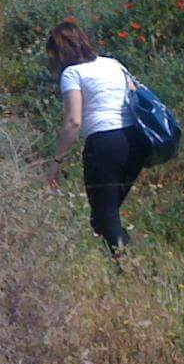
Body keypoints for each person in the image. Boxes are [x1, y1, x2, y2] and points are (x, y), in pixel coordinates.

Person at [44, 20, 149, 254]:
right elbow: (135, 97)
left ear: (59, 51)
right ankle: (127, 264)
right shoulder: (113, 64)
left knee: (104, 217)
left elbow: (74, 121)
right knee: (104, 217)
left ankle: (132, 267)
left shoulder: (72, 73)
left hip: (105, 144)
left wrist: (56, 163)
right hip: (135, 142)